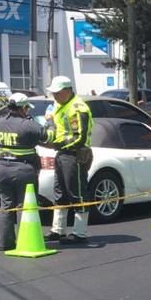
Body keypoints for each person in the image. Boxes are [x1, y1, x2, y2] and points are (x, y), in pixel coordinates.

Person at [44, 76, 94, 244]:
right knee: (59, 192)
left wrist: (58, 144)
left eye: (57, 93)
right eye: (53, 93)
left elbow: (79, 137)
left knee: (77, 193)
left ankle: (80, 233)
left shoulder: (77, 108)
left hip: (74, 154)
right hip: (62, 153)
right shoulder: (61, 105)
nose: (55, 96)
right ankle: (58, 230)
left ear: (67, 91)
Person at [0, 93, 43, 254]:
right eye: (27, 108)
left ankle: (5, 244)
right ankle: (26, 242)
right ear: (23, 108)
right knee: (26, 207)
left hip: (1, 169)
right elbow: (48, 135)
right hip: (23, 170)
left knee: (6, 206)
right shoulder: (27, 125)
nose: (28, 111)